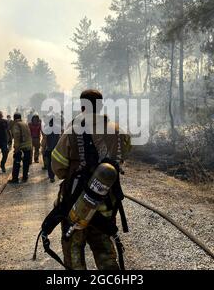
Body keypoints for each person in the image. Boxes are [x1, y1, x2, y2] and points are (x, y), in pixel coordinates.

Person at [51, 89, 131, 270]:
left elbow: (58, 167)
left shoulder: (72, 131)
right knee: (105, 252)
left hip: (76, 206)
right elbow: (124, 154)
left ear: (82, 106)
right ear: (101, 106)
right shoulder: (117, 131)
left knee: (74, 252)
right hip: (106, 204)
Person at [9, 113, 32, 184]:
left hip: (21, 147)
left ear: (14, 118)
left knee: (17, 162)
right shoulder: (25, 124)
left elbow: (17, 137)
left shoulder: (16, 125)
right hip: (28, 146)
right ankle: (25, 177)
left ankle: (15, 179)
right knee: (26, 162)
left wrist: (16, 149)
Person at [43, 117, 61, 183]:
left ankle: (51, 176)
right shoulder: (58, 128)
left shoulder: (47, 128)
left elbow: (44, 140)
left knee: (49, 163)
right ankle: (54, 174)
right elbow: (60, 138)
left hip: (49, 149)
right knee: (54, 162)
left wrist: (43, 148)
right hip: (56, 149)